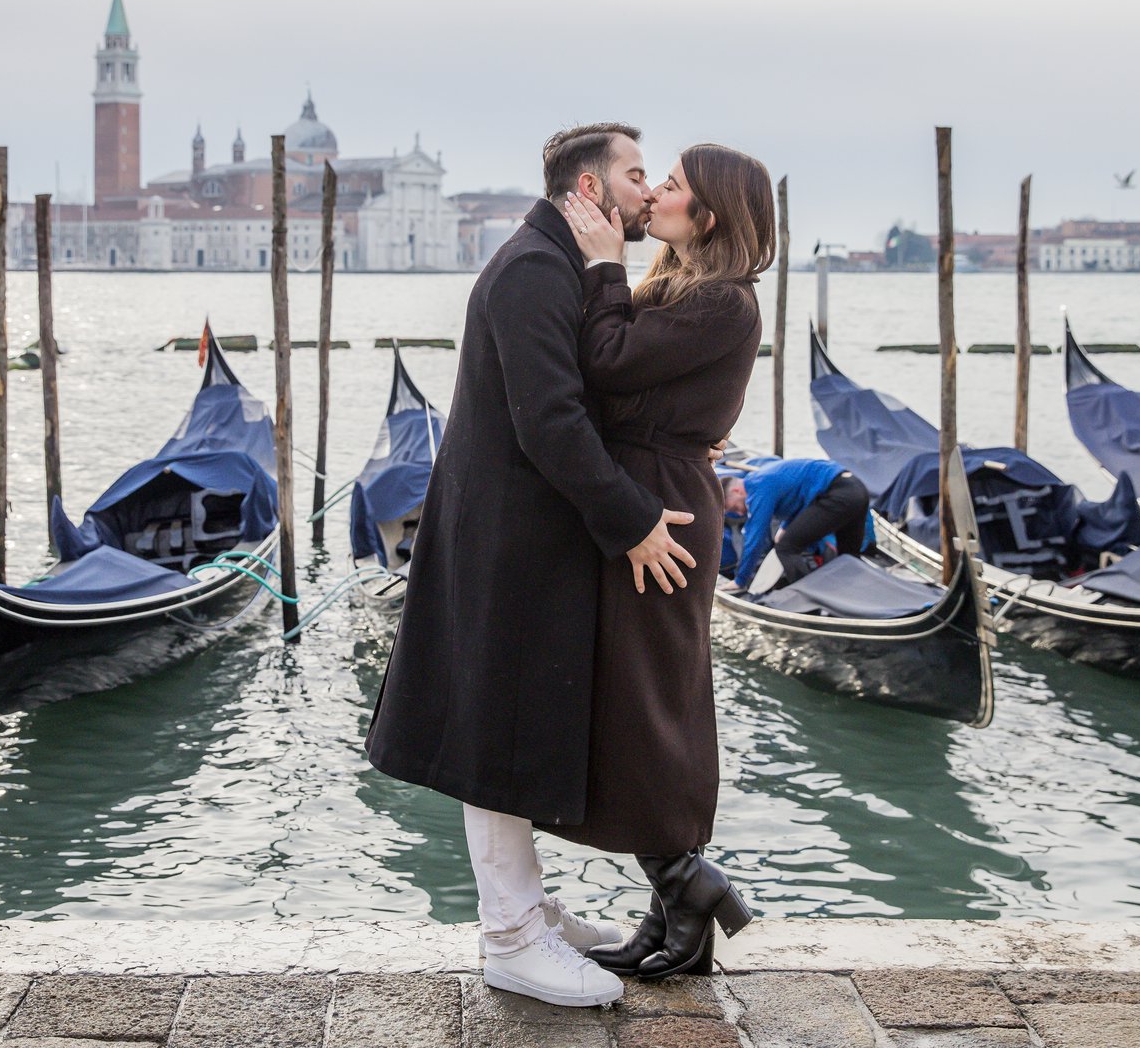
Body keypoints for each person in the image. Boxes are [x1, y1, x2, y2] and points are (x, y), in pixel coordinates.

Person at [366, 123, 699, 1009]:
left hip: (528, 533)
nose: (647, 191)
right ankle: (511, 938)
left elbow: (589, 392)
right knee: (494, 733)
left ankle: (527, 910)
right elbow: (550, 420)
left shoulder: (554, 261)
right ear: (590, 189)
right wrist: (634, 520)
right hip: (506, 538)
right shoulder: (533, 271)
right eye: (636, 174)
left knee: (511, 728)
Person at [553, 142, 773, 982]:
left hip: (664, 509)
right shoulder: (684, 290)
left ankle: (687, 882)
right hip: (651, 489)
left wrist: (603, 266)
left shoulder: (723, 301)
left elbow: (609, 361)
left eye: (671, 186)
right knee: (639, 697)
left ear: (708, 215)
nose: (655, 195)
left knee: (650, 700)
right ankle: (676, 900)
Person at [724, 458, 874, 591]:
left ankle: (810, 595)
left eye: (734, 508)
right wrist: (785, 527)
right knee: (848, 556)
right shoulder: (763, 477)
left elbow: (755, 537)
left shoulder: (758, 489)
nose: (739, 513)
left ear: (737, 491)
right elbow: (800, 496)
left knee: (786, 548)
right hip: (857, 489)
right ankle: (856, 596)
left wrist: (740, 580)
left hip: (838, 494)